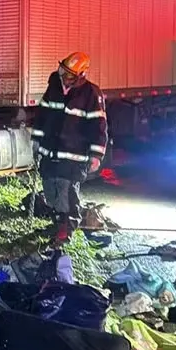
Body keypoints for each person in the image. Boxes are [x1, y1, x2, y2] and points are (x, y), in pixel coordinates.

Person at [31, 52, 109, 242]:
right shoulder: (54, 89)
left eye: (69, 75)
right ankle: (56, 225)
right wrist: (36, 140)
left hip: (74, 156)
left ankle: (66, 230)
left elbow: (98, 126)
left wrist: (96, 155)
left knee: (67, 194)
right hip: (50, 153)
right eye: (63, 71)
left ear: (80, 75)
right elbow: (42, 116)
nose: (64, 77)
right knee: (50, 190)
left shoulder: (91, 94)